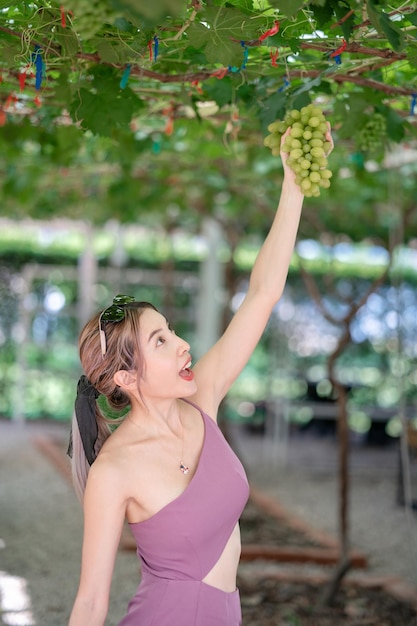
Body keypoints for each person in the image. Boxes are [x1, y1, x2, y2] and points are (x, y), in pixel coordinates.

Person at [67, 125, 333, 626]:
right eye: (160, 341)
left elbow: (262, 294)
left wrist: (292, 185)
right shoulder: (113, 472)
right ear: (125, 378)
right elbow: (89, 602)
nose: (182, 343)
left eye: (171, 330)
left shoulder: (201, 401)